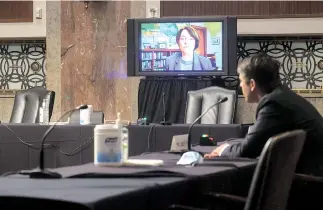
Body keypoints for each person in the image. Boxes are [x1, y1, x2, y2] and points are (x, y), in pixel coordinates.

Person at [204, 53, 323, 176]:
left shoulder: (273, 104)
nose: (240, 85)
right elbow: (257, 140)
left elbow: (247, 150)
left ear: (252, 84)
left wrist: (223, 149)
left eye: (241, 81)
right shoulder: (282, 96)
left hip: (309, 181)